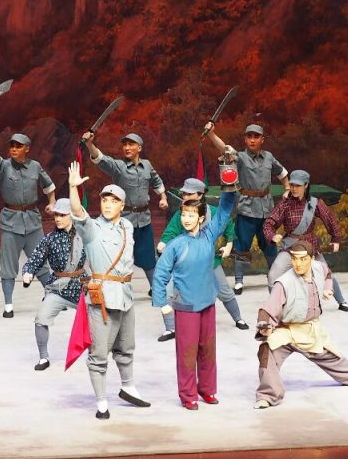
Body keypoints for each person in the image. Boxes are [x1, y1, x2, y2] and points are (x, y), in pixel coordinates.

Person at [67, 161, 151, 420]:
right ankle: (102, 401)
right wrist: (73, 188)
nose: (107, 204)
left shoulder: (127, 226)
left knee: (126, 346)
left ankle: (128, 387)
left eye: (114, 201)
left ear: (122, 205)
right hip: (102, 297)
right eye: (104, 200)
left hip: (125, 294)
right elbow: (77, 213)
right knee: (99, 353)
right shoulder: (92, 228)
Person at [254, 244, 348, 408]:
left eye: (303, 259)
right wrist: (265, 326)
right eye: (294, 259)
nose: (298, 264)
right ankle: (267, 396)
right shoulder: (284, 283)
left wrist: (328, 289)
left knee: (333, 358)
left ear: (312, 258)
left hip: (309, 330)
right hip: (287, 330)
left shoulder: (319, 267)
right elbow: (267, 310)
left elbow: (328, 274)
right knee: (266, 353)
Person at [152, 183, 237, 409]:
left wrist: (229, 187)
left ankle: (207, 390)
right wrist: (161, 302)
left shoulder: (209, 236)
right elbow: (160, 274)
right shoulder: (176, 245)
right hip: (186, 306)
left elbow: (225, 211)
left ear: (200, 218)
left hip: (207, 302)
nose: (186, 219)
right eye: (184, 215)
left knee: (208, 350)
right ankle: (188, 394)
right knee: (187, 353)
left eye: (191, 215)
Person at [0, 122, 57, 318]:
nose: (14, 149)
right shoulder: (4, 166)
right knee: (8, 265)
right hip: (11, 221)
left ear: (27, 149)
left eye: (18, 146)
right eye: (12, 146)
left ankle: (51, 296)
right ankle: (8, 304)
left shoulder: (35, 167)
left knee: (41, 260)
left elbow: (49, 186)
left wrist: (52, 202)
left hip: (33, 222)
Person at [204, 121, 289, 294]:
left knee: (270, 244)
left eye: (256, 137)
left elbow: (282, 173)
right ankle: (239, 281)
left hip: (266, 210)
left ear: (262, 139)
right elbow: (225, 150)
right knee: (241, 246)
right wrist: (211, 134)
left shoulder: (269, 157)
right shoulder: (240, 157)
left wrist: (287, 188)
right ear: (245, 139)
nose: (252, 140)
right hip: (247, 209)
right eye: (249, 136)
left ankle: (275, 277)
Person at [157, 178, 249, 336]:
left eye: (189, 194)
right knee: (169, 291)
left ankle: (238, 318)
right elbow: (171, 231)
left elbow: (227, 224)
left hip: (209, 261)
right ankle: (170, 328)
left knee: (224, 291)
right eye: (184, 194)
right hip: (185, 263)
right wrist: (163, 242)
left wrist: (229, 244)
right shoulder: (181, 214)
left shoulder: (213, 212)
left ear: (200, 195)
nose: (185, 196)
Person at [81, 131, 167, 297]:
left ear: (139, 148)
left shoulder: (147, 165)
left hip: (144, 220)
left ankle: (156, 289)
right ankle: (108, 289)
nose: (127, 148)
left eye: (131, 144)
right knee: (117, 256)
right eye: (125, 145)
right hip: (123, 222)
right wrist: (90, 144)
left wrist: (162, 197)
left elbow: (156, 181)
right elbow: (101, 159)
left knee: (148, 257)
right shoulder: (119, 167)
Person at [262, 170, 348, 312]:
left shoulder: (315, 203)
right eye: (292, 185)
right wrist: (272, 235)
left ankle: (342, 301)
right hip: (291, 247)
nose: (294, 188)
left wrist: (336, 239)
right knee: (273, 275)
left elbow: (330, 219)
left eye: (298, 185)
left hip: (310, 247)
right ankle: (276, 307)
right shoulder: (285, 204)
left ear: (306, 185)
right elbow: (269, 222)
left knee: (325, 273)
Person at [21, 198, 86, 371]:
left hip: (80, 285)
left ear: (71, 215)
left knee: (97, 318)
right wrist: (28, 272)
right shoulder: (49, 239)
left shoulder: (83, 235)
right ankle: (43, 357)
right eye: (56, 215)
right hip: (58, 287)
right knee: (41, 318)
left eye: (62, 215)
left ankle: (99, 352)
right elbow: (36, 258)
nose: (58, 218)